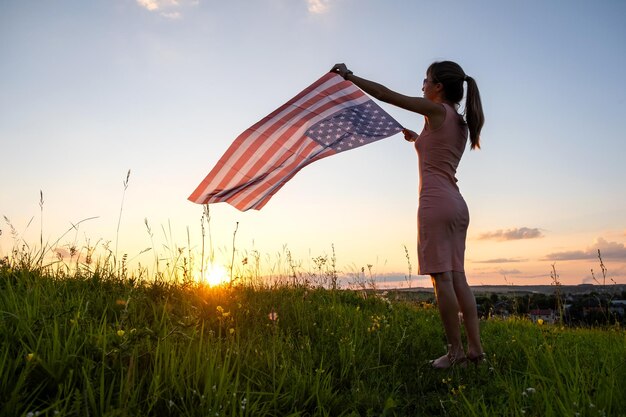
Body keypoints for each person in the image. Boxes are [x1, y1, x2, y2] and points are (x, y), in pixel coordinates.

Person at [331, 61, 485, 368]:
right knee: (458, 278)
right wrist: (417, 139)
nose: (422, 86)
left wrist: (350, 76)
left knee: (441, 279)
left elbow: (389, 96)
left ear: (439, 86)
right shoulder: (457, 121)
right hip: (456, 205)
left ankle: (455, 354)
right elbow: (438, 151)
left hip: (435, 204)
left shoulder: (437, 112)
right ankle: (475, 352)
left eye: (426, 80)